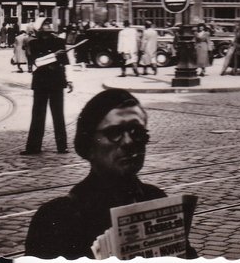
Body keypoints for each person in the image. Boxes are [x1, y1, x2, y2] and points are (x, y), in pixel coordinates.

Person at [24, 89, 197, 258]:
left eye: (137, 132)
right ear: (88, 145)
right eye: (114, 133)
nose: (129, 142)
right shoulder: (57, 217)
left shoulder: (156, 199)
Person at [21, 20, 70, 155]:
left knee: (58, 115)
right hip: (40, 82)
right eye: (44, 26)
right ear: (39, 30)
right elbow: (34, 62)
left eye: (49, 25)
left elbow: (64, 63)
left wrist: (68, 80)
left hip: (56, 82)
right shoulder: (33, 43)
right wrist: (53, 57)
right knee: (38, 115)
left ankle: (62, 146)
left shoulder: (59, 42)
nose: (47, 28)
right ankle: (33, 147)